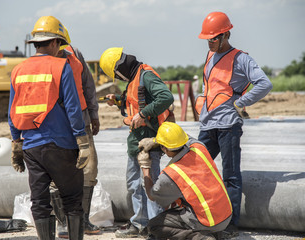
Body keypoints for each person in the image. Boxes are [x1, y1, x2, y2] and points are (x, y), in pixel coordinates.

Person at [8, 16, 90, 240]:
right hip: (61, 144)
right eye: (60, 44)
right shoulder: (60, 66)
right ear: (54, 42)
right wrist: (82, 140)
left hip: (32, 148)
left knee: (40, 202)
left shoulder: (18, 70)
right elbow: (73, 107)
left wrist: (17, 142)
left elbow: (12, 111)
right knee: (73, 200)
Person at [195, 12, 273, 231]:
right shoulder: (210, 56)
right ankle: (204, 215)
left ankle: (230, 225)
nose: (209, 43)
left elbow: (264, 84)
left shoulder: (241, 59)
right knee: (198, 168)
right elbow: (209, 86)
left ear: (225, 35)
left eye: (213, 38)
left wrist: (241, 102)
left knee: (230, 175)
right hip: (208, 125)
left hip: (228, 125)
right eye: (207, 39)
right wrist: (202, 104)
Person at [99, 47, 174, 238]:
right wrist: (117, 100)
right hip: (135, 141)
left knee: (150, 186)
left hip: (149, 141)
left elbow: (166, 97)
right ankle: (140, 224)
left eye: (117, 75)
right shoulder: (134, 78)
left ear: (119, 69)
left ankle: (155, 227)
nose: (119, 79)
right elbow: (135, 102)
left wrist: (143, 114)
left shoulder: (145, 76)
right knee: (134, 185)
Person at [138, 122, 232, 240]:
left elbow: (152, 195)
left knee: (154, 225)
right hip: (225, 215)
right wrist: (156, 140)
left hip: (207, 221)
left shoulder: (171, 174)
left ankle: (198, 237)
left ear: (164, 148)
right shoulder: (199, 147)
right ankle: (215, 233)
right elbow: (183, 137)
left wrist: (145, 167)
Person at [51, 44, 101, 238]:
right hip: (57, 127)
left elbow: (88, 84)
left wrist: (94, 114)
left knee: (89, 170)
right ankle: (63, 223)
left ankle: (83, 220)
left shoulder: (75, 53)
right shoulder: (44, 62)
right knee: (58, 176)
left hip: (82, 122)